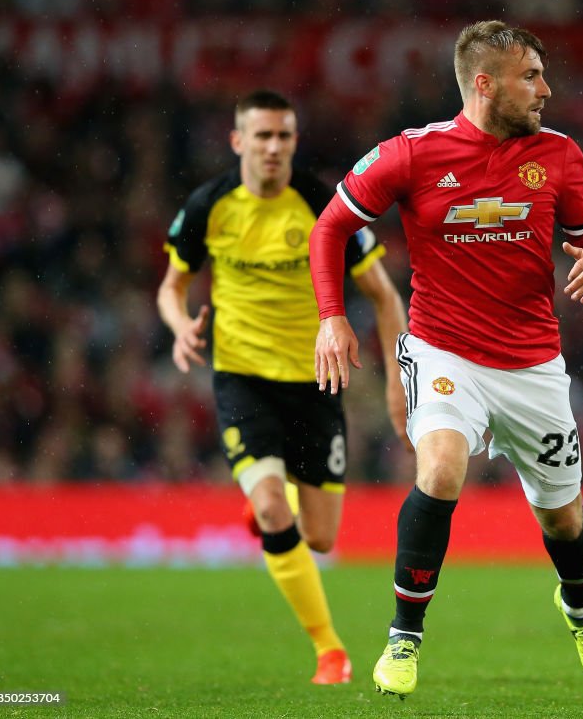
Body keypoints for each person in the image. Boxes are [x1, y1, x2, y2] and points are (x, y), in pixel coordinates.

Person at [309, 21, 583, 697]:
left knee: (562, 519)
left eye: (542, 74)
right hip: (444, 349)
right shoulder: (413, 154)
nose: (547, 89)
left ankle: (582, 611)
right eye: (531, 76)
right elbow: (331, 225)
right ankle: (403, 638)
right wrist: (332, 319)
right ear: (485, 84)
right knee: (442, 469)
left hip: (533, 365)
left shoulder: (559, 155)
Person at [157, 89, 408, 686]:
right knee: (273, 511)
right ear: (238, 140)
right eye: (262, 136)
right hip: (242, 377)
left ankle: (270, 497)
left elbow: (386, 297)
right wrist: (178, 328)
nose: (274, 147)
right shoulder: (209, 206)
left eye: (284, 136)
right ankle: (330, 651)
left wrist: (399, 384)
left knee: (320, 536)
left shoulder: (323, 203)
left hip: (316, 382)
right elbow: (171, 286)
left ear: (295, 142)